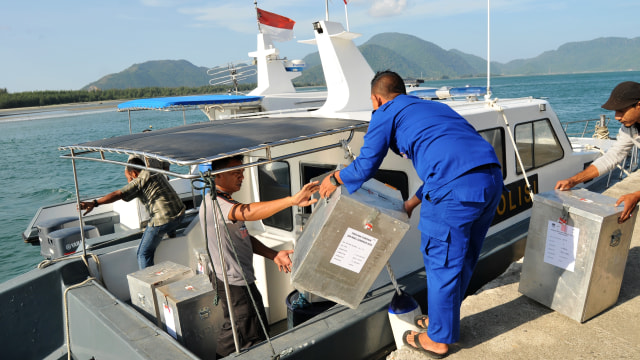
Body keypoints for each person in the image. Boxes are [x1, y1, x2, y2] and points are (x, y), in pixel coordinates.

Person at [318, 71, 504, 358]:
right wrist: (411, 203)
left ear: (377, 98)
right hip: (490, 180)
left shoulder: (385, 112)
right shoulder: (435, 107)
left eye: (373, 103)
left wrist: (334, 179)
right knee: (464, 256)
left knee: (441, 259)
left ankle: (439, 339)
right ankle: (443, 322)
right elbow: (450, 159)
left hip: (453, 189)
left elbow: (366, 164)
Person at [199, 155, 319, 358]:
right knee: (247, 334)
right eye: (236, 172)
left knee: (244, 328)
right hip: (234, 283)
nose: (241, 177)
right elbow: (248, 212)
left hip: (237, 279)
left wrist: (274, 255)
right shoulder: (217, 205)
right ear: (217, 176)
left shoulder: (224, 201)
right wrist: (292, 200)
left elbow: (243, 235)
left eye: (243, 172)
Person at [555, 81, 640, 223]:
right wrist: (573, 180)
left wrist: (637, 195)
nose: (616, 117)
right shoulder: (630, 128)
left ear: (638, 105)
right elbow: (613, 156)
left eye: (621, 111)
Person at [79, 157, 185, 269]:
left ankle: (149, 283)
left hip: (164, 220)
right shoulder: (154, 171)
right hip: (180, 214)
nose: (129, 180)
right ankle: (172, 236)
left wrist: (94, 203)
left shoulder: (139, 180)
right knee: (167, 217)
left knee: (143, 253)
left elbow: (118, 194)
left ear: (134, 173)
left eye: (128, 177)